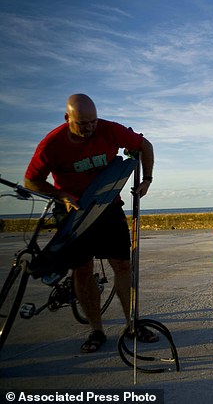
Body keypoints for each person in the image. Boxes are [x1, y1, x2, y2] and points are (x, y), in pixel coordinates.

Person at [24, 93, 158, 353]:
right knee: (82, 270)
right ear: (68, 118)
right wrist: (60, 194)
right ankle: (96, 330)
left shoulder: (108, 130)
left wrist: (148, 179)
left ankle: (132, 323)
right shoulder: (52, 144)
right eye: (82, 123)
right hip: (73, 212)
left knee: (122, 264)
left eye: (92, 122)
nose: (89, 128)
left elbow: (145, 146)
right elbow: (31, 181)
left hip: (108, 206)